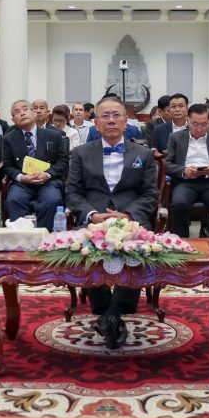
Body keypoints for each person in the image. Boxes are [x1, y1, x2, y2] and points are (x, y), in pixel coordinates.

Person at [66, 97, 158, 350]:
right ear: (96, 123)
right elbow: (72, 192)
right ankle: (106, 309)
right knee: (83, 245)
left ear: (126, 121)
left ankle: (112, 314)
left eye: (116, 115)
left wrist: (128, 215)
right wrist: (92, 215)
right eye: (105, 116)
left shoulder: (143, 155)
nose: (111, 120)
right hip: (94, 219)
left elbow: (150, 194)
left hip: (131, 220)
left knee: (139, 247)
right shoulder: (81, 153)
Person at [165, 103, 209, 238]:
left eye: (204, 124)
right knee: (178, 204)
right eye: (195, 124)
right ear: (188, 120)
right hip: (186, 182)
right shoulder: (175, 138)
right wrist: (184, 170)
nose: (199, 128)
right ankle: (182, 242)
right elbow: (166, 164)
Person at [3, 100, 67, 231]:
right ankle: (22, 239)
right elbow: (7, 166)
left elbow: (63, 162)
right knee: (13, 200)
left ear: (34, 113)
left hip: (48, 181)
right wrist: (21, 177)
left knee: (52, 200)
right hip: (22, 183)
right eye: (17, 112)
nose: (22, 113)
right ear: (13, 119)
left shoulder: (54, 135)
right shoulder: (8, 139)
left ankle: (44, 237)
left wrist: (47, 174)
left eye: (25, 109)